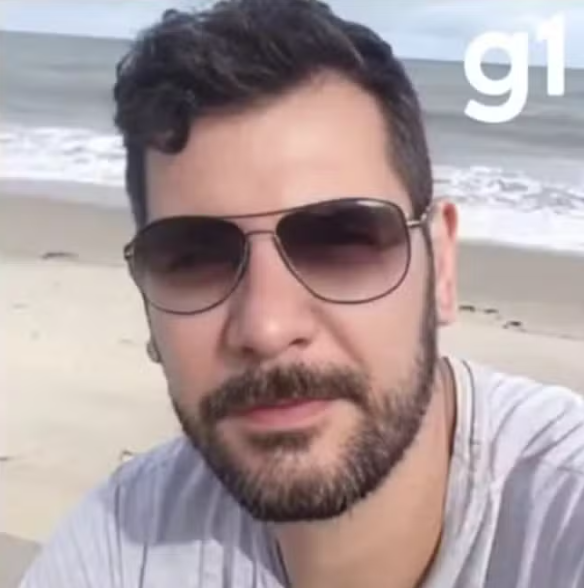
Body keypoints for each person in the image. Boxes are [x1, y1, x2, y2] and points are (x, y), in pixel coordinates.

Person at [19, 1, 584, 587]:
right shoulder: (122, 544)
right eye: (195, 258)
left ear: (440, 266)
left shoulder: (563, 514)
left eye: (340, 240)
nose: (266, 328)